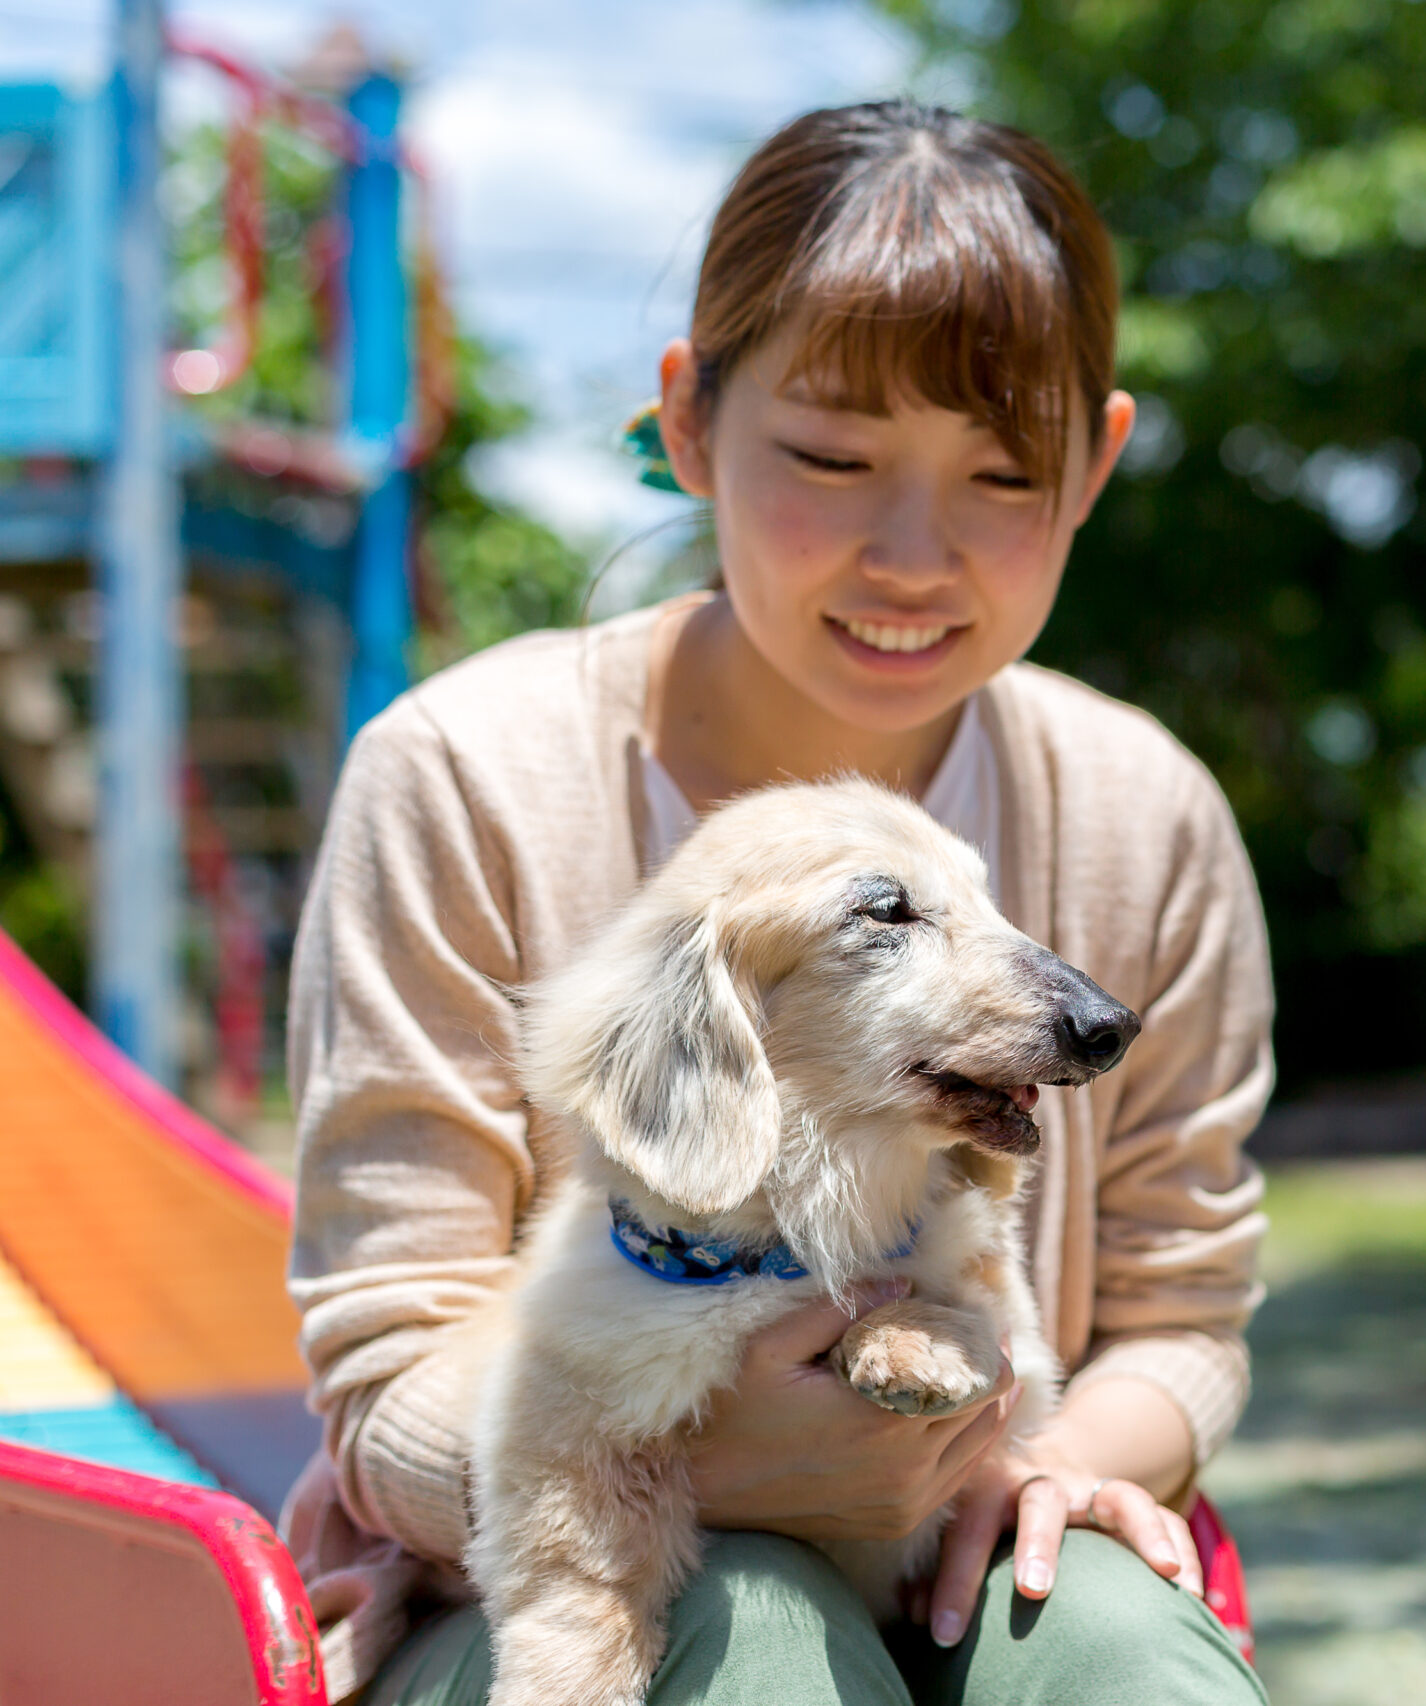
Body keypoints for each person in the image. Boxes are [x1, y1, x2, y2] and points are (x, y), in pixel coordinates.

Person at [279, 100, 1272, 1706]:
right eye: (831, 456)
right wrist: (720, 1460)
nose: (912, 556)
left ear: (1096, 461)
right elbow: (392, 1351)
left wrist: (1045, 1462)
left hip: (964, 1499)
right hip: (544, 1551)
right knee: (757, 1650)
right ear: (687, 421)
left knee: (1117, 1663)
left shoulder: (1143, 812)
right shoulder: (459, 775)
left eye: (1003, 473)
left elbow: (1183, 1308)